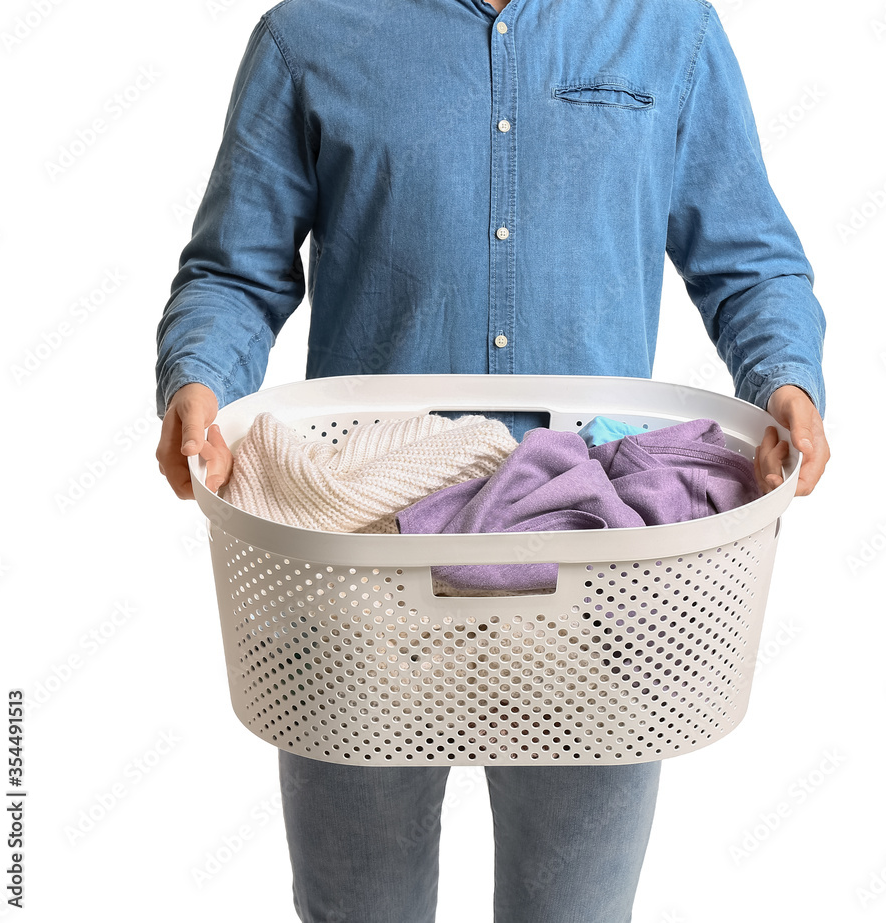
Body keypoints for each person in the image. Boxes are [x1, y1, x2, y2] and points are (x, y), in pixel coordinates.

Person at [155, 0, 830, 920]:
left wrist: (786, 380)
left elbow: (750, 261)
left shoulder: (667, 30)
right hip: (365, 565)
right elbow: (234, 270)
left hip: (599, 569)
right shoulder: (309, 35)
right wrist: (196, 379)